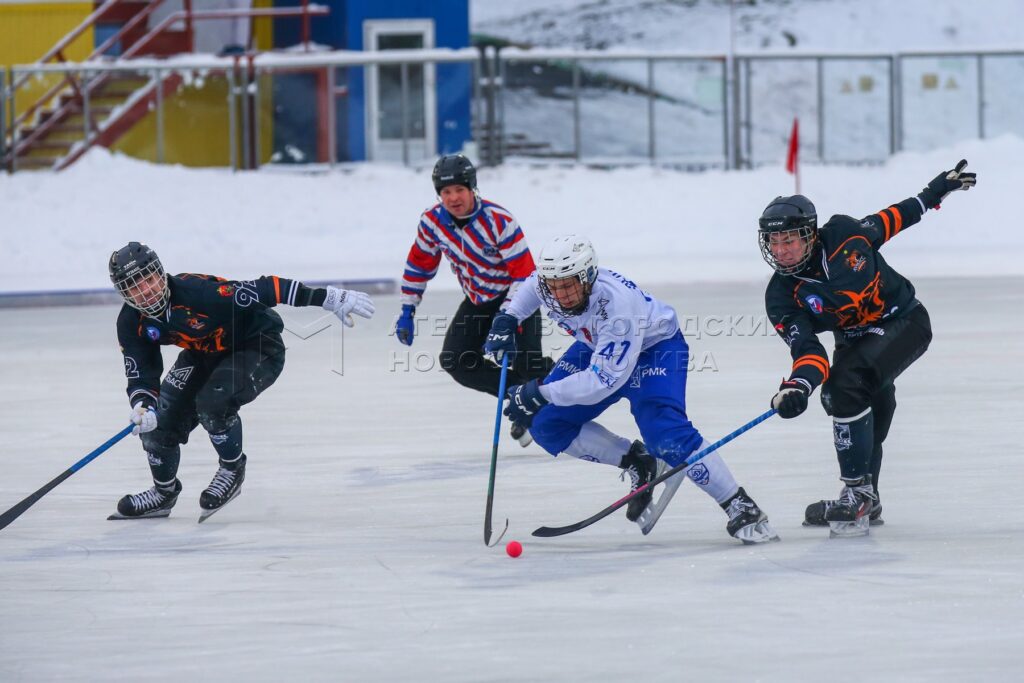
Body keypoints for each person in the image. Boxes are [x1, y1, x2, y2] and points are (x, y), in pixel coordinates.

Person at [484, 235, 778, 543]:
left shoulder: (618, 306)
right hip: (596, 345)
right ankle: (638, 460)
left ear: (588, 277)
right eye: (554, 286)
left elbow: (601, 381)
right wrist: (506, 319)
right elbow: (530, 287)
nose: (561, 294)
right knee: (545, 425)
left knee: (666, 434)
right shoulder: (548, 284)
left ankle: (739, 503)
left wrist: (539, 392)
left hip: (655, 348)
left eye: (569, 284)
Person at [759, 159, 977, 537]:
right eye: (774, 242)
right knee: (863, 400)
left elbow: (891, 219)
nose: (782, 250)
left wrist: (935, 192)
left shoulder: (844, 233)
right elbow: (807, 350)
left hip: (904, 321)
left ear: (810, 235)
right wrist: (797, 386)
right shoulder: (781, 296)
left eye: (789, 239)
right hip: (855, 339)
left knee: (845, 387)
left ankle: (856, 492)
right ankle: (865, 496)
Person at [109, 242, 375, 521]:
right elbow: (141, 371)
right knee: (156, 422)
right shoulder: (130, 322)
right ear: (124, 293)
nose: (146, 291)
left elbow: (267, 288)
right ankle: (163, 493)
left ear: (160, 273)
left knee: (213, 403)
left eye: (148, 279)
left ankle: (231, 468)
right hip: (204, 353)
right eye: (134, 286)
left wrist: (328, 297)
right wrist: (143, 404)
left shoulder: (199, 293)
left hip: (257, 345)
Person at [395, 153, 552, 446]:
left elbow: (525, 275)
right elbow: (420, 263)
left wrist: (508, 316)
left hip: (518, 298)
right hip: (479, 300)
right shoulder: (432, 222)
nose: (453, 198)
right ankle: (522, 396)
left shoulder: (499, 220)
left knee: (525, 362)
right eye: (446, 192)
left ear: (472, 188)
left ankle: (549, 385)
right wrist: (408, 308)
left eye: (459, 190)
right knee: (456, 360)